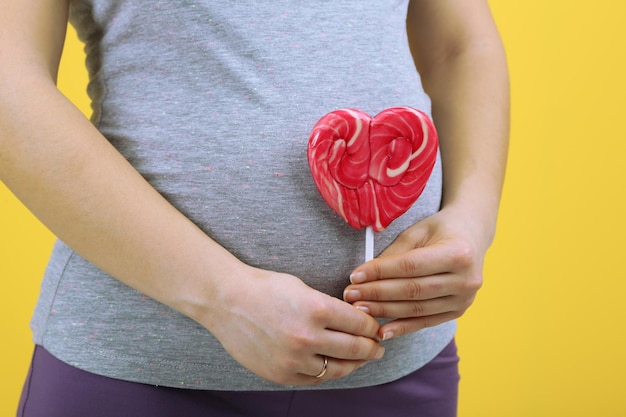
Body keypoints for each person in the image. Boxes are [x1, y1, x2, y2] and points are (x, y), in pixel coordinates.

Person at [0, 0, 509, 416]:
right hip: (142, 371)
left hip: (401, 367)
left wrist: (472, 218)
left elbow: (459, 46)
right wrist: (222, 296)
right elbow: (9, 81)